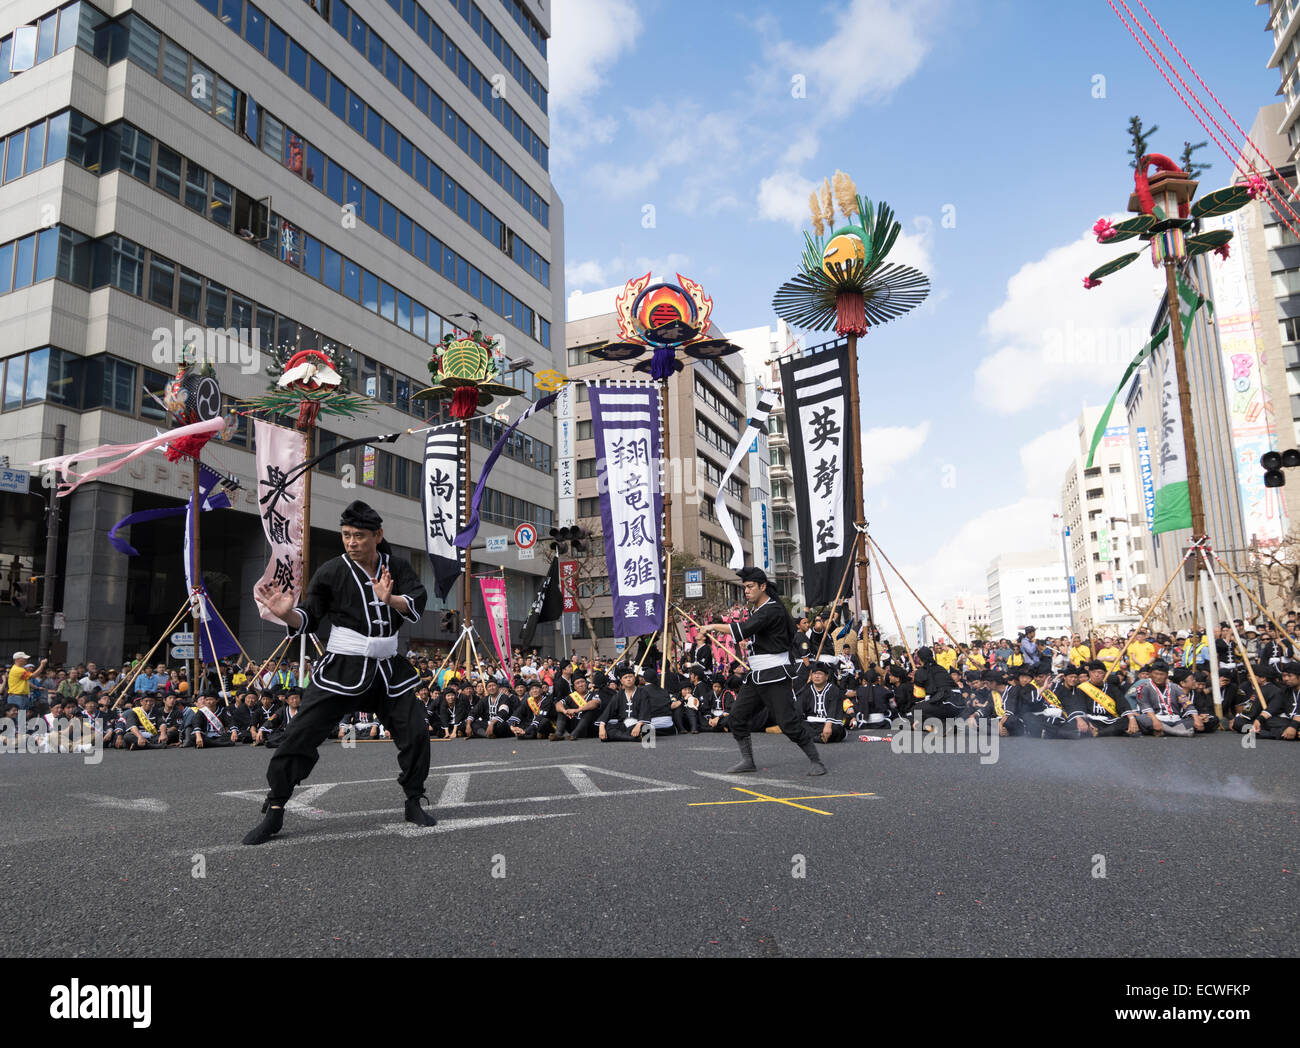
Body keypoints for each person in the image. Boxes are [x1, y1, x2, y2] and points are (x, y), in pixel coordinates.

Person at [243, 502, 436, 845]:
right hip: (342, 667)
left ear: (377, 536)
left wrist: (391, 600)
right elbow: (310, 616)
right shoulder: (331, 571)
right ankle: (274, 808)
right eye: (346, 535)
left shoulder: (399, 566)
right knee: (300, 733)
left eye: (359, 536)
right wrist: (288, 616)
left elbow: (416, 600)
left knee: (416, 732)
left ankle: (413, 799)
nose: (351, 542)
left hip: (389, 669)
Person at [699, 567, 826, 776]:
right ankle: (748, 760)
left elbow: (743, 630)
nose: (746, 591)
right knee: (737, 717)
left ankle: (816, 760)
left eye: (750, 587)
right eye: (745, 587)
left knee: (787, 723)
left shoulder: (772, 609)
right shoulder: (758, 610)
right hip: (756, 675)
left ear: (762, 586)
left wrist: (712, 626)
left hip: (776, 674)